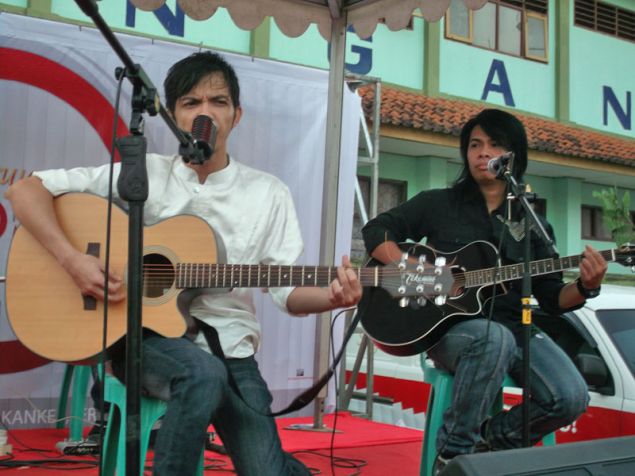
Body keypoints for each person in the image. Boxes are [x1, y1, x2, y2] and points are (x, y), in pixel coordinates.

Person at [6, 51, 361, 476]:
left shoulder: (269, 193)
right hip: (144, 337)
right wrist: (74, 260)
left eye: (218, 101)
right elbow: (26, 191)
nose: (205, 112)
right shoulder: (143, 174)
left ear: (237, 115)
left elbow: (287, 292)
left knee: (266, 468)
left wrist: (332, 297)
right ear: (171, 115)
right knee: (202, 374)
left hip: (230, 343)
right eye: (191, 103)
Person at [361, 108, 607, 472]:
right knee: (492, 338)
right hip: (450, 330)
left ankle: (490, 441)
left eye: (494, 145)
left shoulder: (533, 223)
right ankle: (452, 454)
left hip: (516, 326)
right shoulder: (438, 203)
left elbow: (553, 298)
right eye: (475, 144)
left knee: (570, 397)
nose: (482, 152)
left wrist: (587, 287)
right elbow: (377, 230)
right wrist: (406, 265)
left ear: (514, 156)